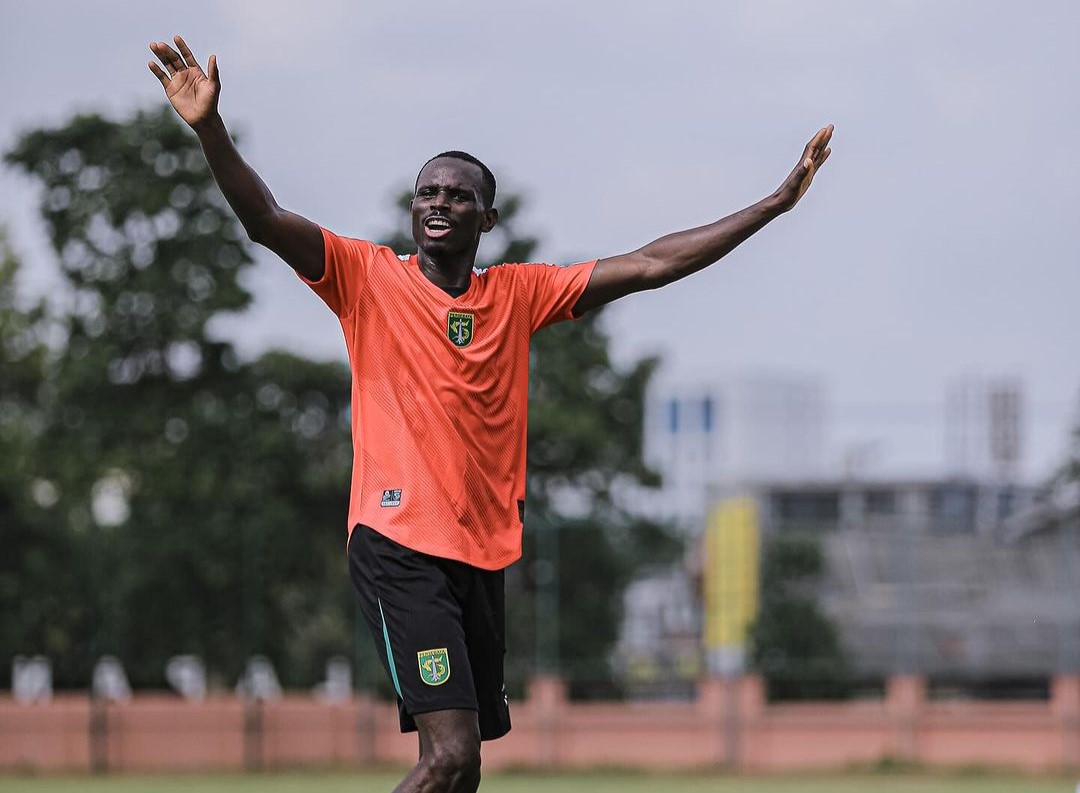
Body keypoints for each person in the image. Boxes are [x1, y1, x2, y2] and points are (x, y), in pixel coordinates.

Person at [148, 34, 833, 793]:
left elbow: (651, 263)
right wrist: (211, 129)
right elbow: (266, 218)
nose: (439, 202)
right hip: (398, 544)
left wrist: (774, 203)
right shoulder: (364, 277)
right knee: (450, 756)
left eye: (457, 194)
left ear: (488, 216)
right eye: (427, 192)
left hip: (478, 556)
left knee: (461, 768)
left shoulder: (517, 294)